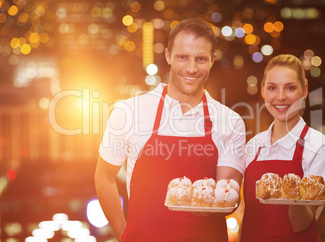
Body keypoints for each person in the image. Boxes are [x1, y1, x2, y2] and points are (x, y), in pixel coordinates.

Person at [95, 18, 245, 242]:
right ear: (168, 56)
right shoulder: (129, 111)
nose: (191, 68)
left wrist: (212, 205)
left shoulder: (230, 121)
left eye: (201, 59)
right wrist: (124, 236)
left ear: (213, 60)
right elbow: (103, 177)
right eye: (182, 57)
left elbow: (227, 196)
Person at [240, 54, 325, 241]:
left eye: (290, 88)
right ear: (263, 91)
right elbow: (248, 215)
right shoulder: (254, 145)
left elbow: (300, 224)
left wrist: (292, 194)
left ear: (305, 90)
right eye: (272, 88)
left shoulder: (320, 147)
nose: (281, 97)